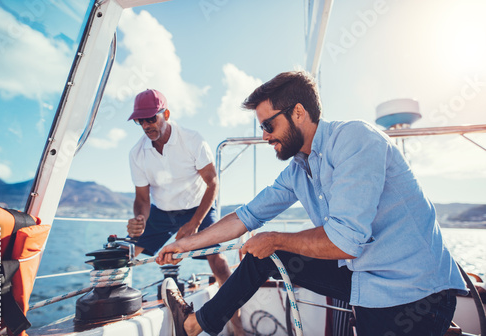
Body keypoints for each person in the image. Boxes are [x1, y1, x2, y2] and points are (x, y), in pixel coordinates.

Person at [156, 71, 468, 336]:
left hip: (416, 292)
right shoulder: (298, 170)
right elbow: (246, 216)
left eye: (268, 126)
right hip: (368, 279)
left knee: (270, 245)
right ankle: (194, 324)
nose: (264, 136)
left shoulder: (355, 140)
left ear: (299, 113)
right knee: (264, 254)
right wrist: (187, 244)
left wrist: (275, 238)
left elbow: (345, 241)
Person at [127, 89, 243, 335]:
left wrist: (194, 223)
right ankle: (118, 313)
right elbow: (141, 199)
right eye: (141, 120)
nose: (146, 125)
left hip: (197, 206)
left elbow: (212, 184)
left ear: (165, 114)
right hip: (162, 211)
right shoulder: (136, 154)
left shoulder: (192, 139)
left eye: (151, 118)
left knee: (218, 261)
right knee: (128, 254)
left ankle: (239, 329)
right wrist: (140, 218)